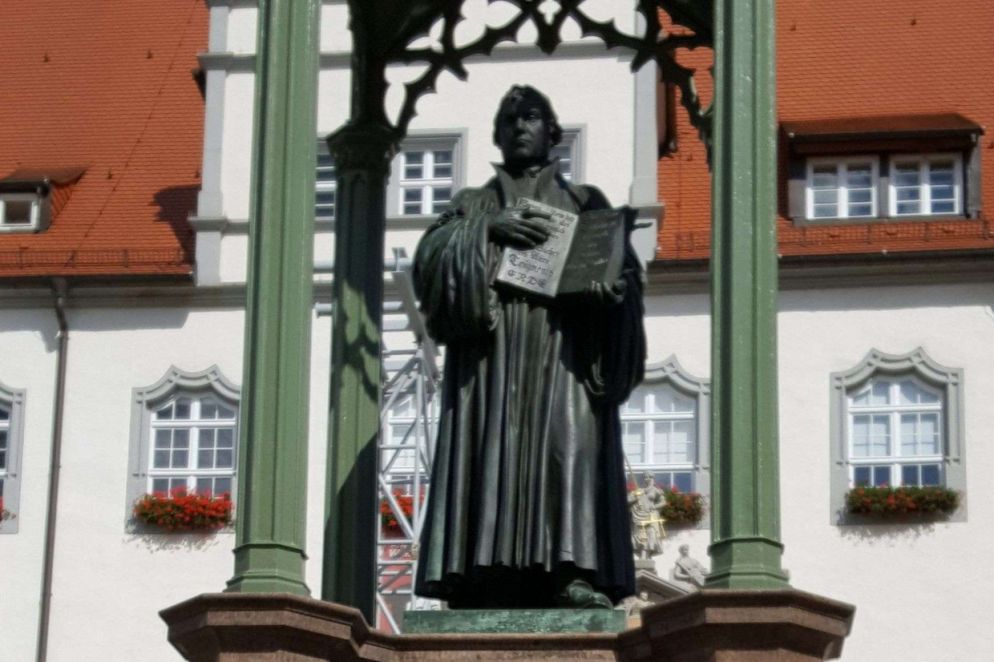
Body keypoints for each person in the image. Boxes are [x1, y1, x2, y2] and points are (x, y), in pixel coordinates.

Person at [412, 85, 646, 609]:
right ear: (497, 135)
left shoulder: (586, 203)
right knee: (488, 450)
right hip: (491, 358)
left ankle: (573, 571)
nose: (520, 126)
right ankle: (482, 576)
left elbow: (623, 276)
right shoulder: (471, 203)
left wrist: (613, 296)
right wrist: (485, 230)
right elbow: (428, 263)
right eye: (509, 119)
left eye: (531, 117)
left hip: (564, 353)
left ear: (552, 133)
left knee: (569, 450)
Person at [628, 472, 667, 560]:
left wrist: (654, 506)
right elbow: (628, 500)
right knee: (640, 534)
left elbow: (663, 502)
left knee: (651, 533)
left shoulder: (656, 490)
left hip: (651, 514)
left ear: (653, 478)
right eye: (646, 477)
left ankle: (647, 554)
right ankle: (642, 555)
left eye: (650, 477)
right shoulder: (639, 490)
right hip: (639, 515)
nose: (648, 479)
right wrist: (636, 497)